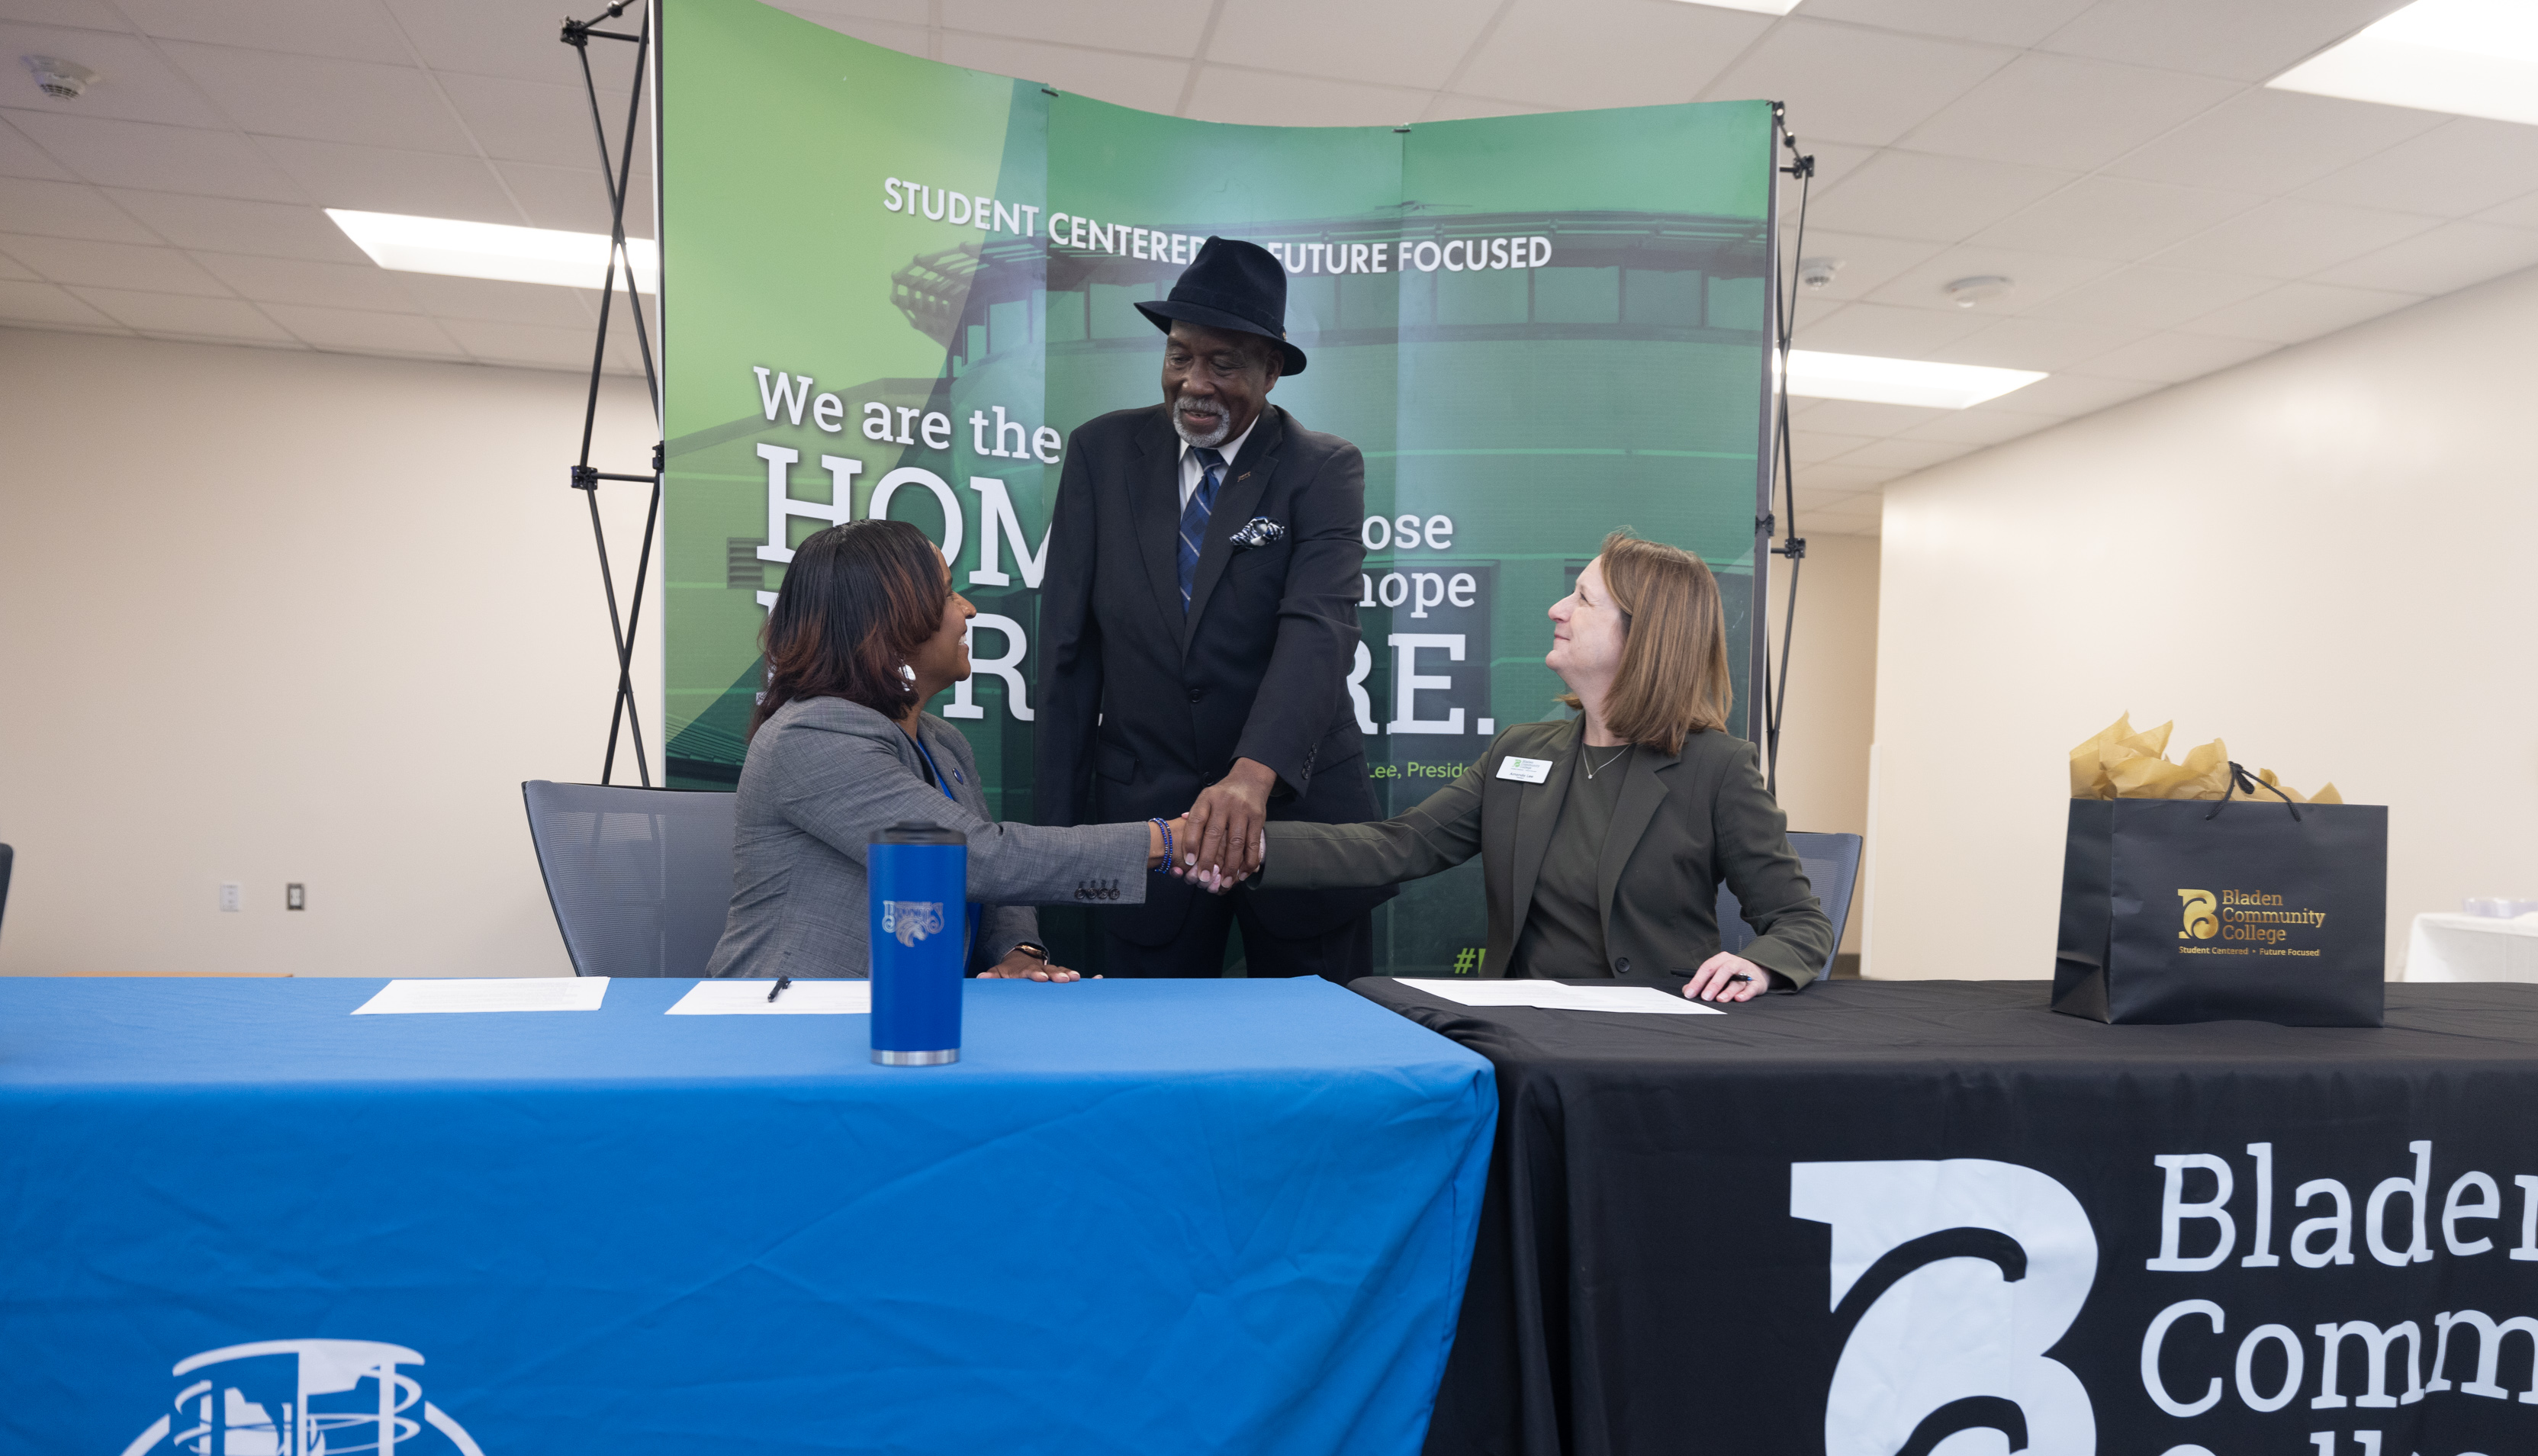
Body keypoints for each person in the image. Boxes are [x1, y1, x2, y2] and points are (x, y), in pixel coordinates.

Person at [1211, 532, 1834, 1001]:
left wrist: (1760, 963)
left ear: (1642, 637)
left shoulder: (1717, 768)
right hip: (1524, 1039)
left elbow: (1799, 921)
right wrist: (1247, 848)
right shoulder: (1520, 753)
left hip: (1657, 1041)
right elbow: (1396, 846)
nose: (1557, 609)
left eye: (1583, 599)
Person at [1034, 235, 1389, 982]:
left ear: (1269, 371)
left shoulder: (1322, 469)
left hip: (1296, 821)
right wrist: (1053, 852)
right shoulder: (1101, 454)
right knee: (1145, 1069)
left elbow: (1318, 632)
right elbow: (1068, 653)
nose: (1194, 382)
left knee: (1316, 1063)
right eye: (1180, 356)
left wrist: (1250, 779)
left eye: (1223, 364)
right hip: (1147, 825)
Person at [708, 519, 1205, 982]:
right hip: (786, 1028)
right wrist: (1164, 841)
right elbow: (980, 857)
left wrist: (1019, 952)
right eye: (947, 593)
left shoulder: (944, 742)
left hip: (915, 1022)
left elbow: (992, 887)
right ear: (891, 623)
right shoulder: (812, 736)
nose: (968, 609)